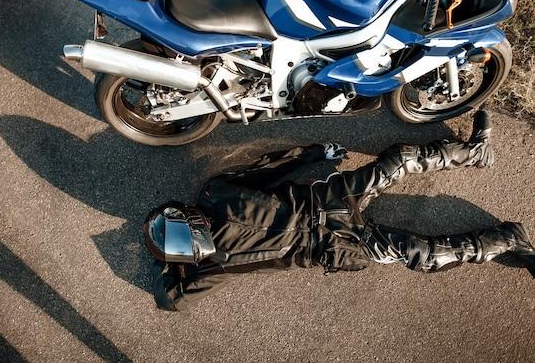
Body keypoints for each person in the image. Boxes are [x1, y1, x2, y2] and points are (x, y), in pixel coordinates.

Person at [143, 111, 535, 311]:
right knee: (422, 253)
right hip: (332, 247)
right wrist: (168, 264)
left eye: (186, 239)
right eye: (186, 250)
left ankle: (474, 152)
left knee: (398, 159)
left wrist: (316, 154)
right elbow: (170, 301)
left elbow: (269, 167)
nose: (198, 245)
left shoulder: (216, 192)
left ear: (185, 214)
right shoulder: (209, 267)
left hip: (325, 200)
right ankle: (507, 241)